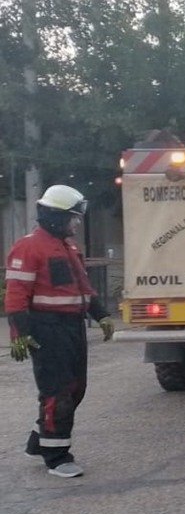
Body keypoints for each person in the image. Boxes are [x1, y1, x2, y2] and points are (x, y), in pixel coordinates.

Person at [6, 185, 114, 478]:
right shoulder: (28, 247)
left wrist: (101, 315)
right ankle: (57, 457)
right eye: (72, 218)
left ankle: (40, 441)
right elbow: (16, 295)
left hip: (72, 327)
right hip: (46, 328)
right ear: (55, 217)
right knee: (58, 391)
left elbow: (84, 288)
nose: (76, 223)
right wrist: (19, 333)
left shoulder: (68, 247)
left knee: (76, 388)